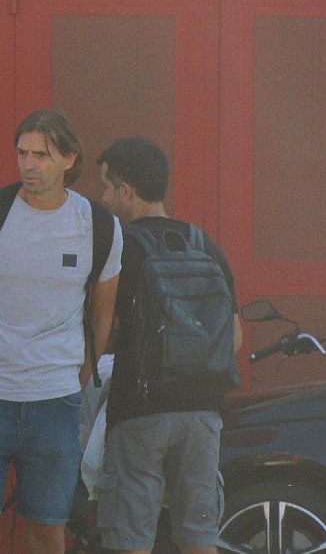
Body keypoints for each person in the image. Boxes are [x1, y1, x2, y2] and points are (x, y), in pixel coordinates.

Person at [0, 109, 122, 554]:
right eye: (22, 152)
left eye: (41, 155)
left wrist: (72, 381)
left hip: (54, 402)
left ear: (69, 160)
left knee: (46, 530)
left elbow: (103, 317)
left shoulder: (98, 226)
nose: (28, 164)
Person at [95, 136, 242, 554]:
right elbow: (234, 335)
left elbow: (102, 330)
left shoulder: (121, 247)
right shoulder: (204, 244)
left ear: (126, 191)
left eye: (106, 188)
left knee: (130, 540)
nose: (103, 198)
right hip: (203, 415)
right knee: (199, 539)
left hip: (140, 413)